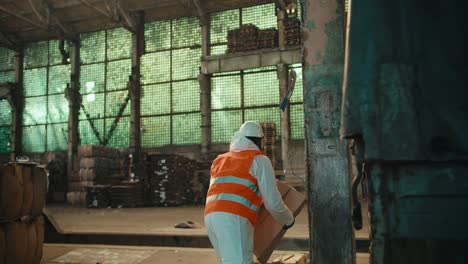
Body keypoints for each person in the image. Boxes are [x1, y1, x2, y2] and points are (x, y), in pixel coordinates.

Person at [204, 121, 295, 264]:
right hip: (233, 219)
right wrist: (288, 220)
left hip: (211, 218)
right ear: (260, 141)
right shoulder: (259, 160)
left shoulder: (220, 159)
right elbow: (273, 202)